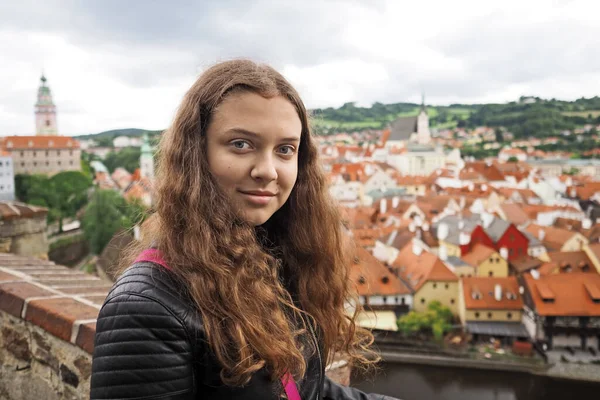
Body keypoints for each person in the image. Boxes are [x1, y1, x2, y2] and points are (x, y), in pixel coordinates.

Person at [90, 59, 398, 400]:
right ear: (197, 154)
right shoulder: (145, 307)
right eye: (241, 144)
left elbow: (304, 390)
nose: (268, 170)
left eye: (285, 149)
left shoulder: (275, 259)